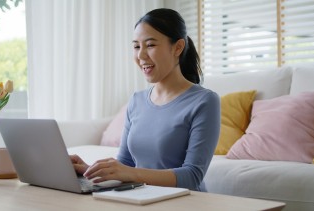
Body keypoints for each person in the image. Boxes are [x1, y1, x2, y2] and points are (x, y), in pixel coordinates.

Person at [70, 8, 220, 192]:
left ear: (178, 47)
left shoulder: (204, 101)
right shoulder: (137, 100)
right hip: (142, 199)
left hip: (183, 203)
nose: (141, 56)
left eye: (150, 45)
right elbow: (125, 164)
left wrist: (130, 173)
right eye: (136, 46)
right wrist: (89, 170)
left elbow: (192, 176)